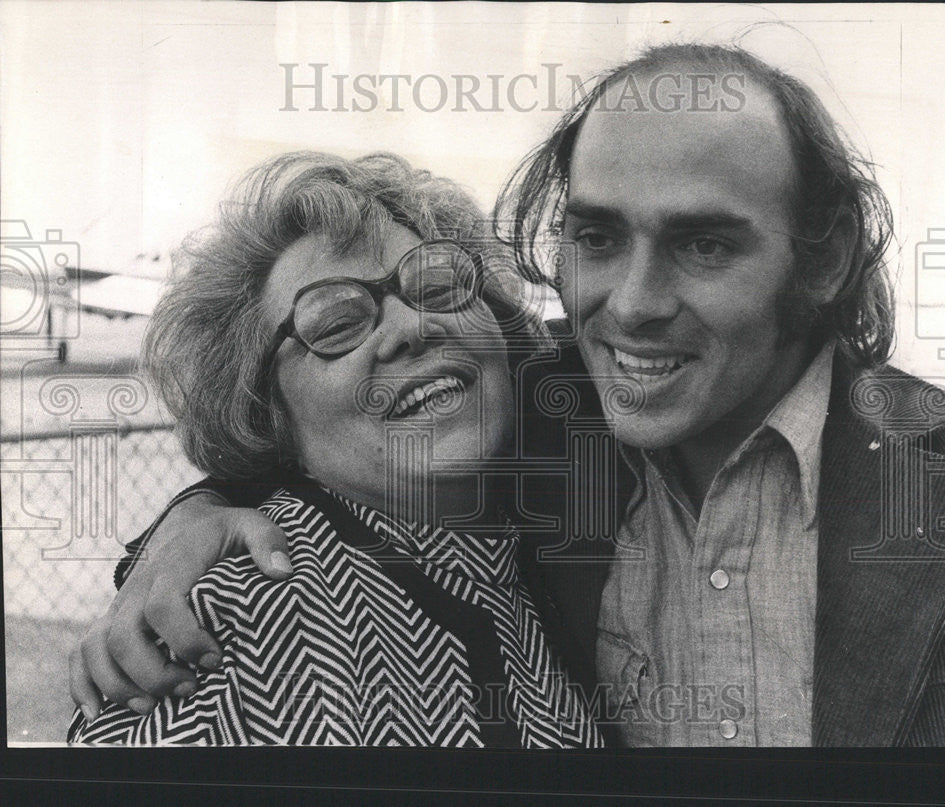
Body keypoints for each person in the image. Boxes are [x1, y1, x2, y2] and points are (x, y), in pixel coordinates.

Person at [71, 43, 945, 747]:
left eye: (707, 244)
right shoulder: (243, 617)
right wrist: (201, 516)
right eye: (595, 236)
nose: (630, 305)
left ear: (821, 256)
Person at [67, 151, 603, 747]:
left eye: (438, 286)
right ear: (267, 414)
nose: (410, 327)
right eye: (335, 325)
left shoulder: (519, 557)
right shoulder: (236, 621)